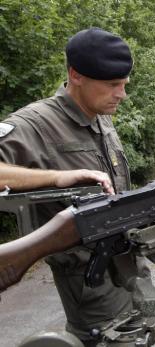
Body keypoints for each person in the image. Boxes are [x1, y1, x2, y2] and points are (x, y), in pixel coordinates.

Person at [0, 28, 139, 344]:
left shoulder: (99, 117)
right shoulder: (34, 123)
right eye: (113, 85)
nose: (122, 94)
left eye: (124, 85)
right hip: (89, 284)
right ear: (76, 75)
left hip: (127, 267)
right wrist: (56, 177)